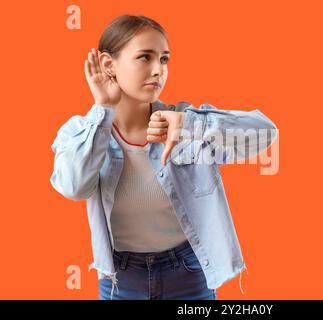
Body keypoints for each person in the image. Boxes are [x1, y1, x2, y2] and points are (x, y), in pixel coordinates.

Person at [50, 15, 278, 300]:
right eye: (145, 57)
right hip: (121, 281)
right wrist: (104, 111)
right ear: (109, 65)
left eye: (164, 59)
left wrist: (189, 125)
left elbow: (266, 133)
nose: (158, 70)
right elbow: (74, 187)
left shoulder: (185, 123)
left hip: (190, 276)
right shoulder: (80, 132)